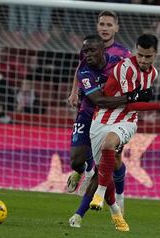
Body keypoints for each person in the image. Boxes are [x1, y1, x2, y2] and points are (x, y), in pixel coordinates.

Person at [88, 34, 160, 232]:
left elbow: (131, 109)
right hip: (102, 119)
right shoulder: (124, 68)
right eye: (141, 55)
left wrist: (152, 103)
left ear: (156, 54)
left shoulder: (153, 73)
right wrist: (159, 105)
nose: (144, 60)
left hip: (127, 120)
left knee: (109, 145)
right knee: (105, 168)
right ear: (135, 51)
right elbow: (131, 102)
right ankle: (116, 212)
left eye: (149, 56)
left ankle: (99, 192)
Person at [67, 35, 153, 229]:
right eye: (85, 52)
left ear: (103, 51)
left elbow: (139, 74)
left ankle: (81, 214)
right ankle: (81, 171)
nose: (87, 55)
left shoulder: (119, 63)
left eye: (91, 51)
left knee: (106, 166)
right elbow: (99, 100)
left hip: (115, 120)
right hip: (88, 115)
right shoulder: (84, 71)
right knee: (76, 160)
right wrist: (131, 98)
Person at [67, 10, 132, 199]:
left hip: (111, 114)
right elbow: (80, 69)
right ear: (97, 26)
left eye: (109, 25)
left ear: (116, 28)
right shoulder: (87, 48)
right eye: (102, 24)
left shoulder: (123, 54)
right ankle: (83, 170)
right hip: (88, 108)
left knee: (112, 156)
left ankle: (117, 197)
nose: (105, 28)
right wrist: (73, 92)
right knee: (76, 159)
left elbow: (131, 79)